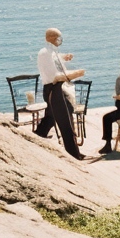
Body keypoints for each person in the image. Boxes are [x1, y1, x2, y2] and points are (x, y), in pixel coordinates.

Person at [35, 28, 86, 159]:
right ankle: (74, 154)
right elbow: (56, 76)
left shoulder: (52, 51)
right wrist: (75, 74)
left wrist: (65, 57)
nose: (60, 40)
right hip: (54, 89)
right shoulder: (45, 53)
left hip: (58, 88)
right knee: (66, 123)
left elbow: (56, 60)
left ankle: (36, 139)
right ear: (51, 38)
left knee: (51, 118)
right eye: (58, 38)